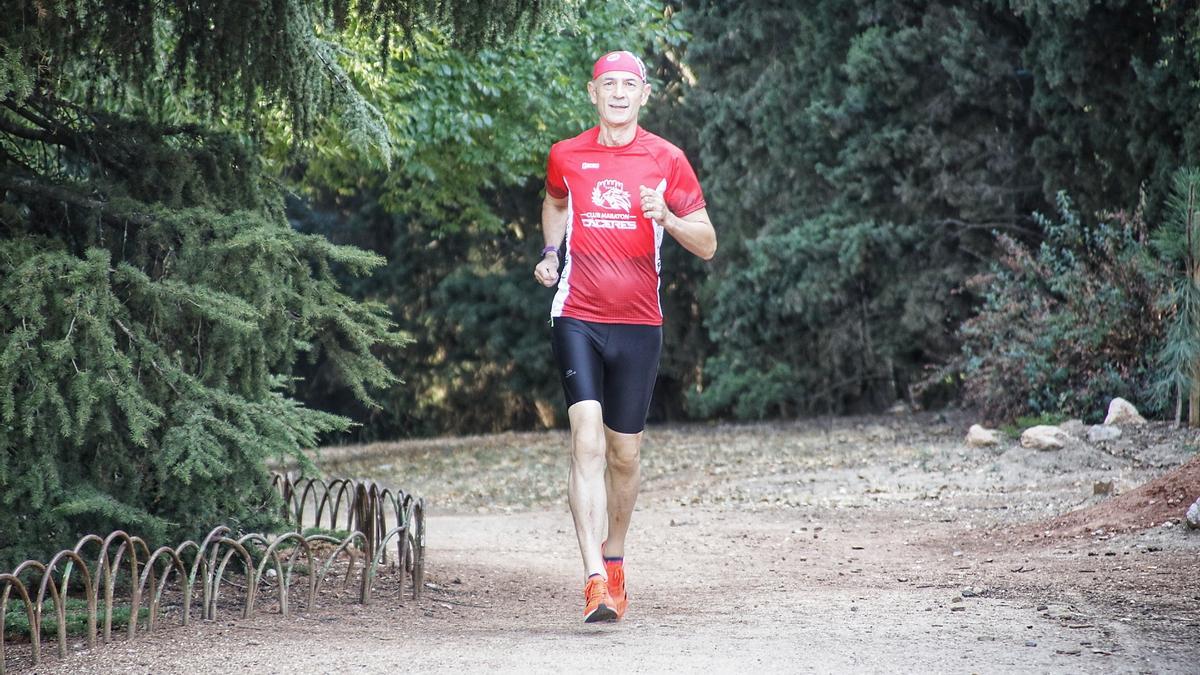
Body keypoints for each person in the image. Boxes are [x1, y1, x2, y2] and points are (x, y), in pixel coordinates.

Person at [533, 50, 717, 623]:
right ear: (593, 93)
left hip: (640, 322)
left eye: (628, 84)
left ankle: (615, 558)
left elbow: (707, 242)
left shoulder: (668, 159)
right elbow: (555, 202)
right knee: (584, 437)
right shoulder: (567, 154)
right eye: (607, 83)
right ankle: (593, 581)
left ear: (643, 94)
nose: (617, 92)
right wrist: (549, 251)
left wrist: (667, 216)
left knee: (625, 454)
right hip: (578, 314)